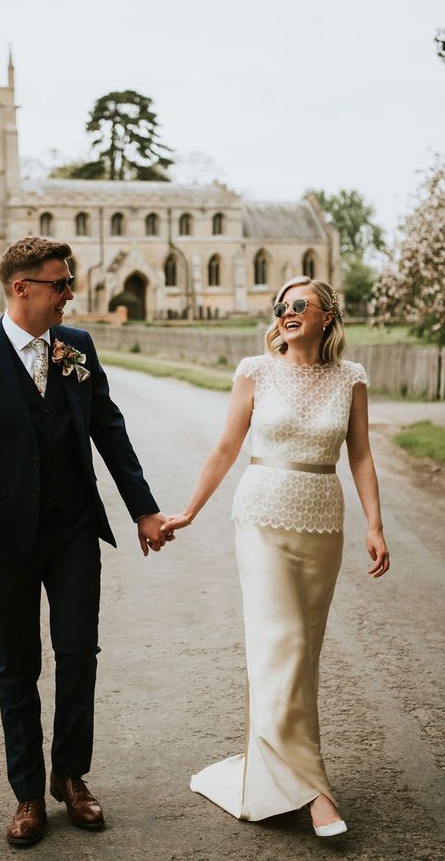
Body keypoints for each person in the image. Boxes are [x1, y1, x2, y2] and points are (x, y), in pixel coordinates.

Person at [0, 236, 170, 846]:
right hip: (7, 538)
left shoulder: (77, 346)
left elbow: (108, 430)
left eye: (69, 283)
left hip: (73, 530)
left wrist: (144, 510)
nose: (70, 293)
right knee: (18, 666)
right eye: (60, 284)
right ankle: (27, 794)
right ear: (22, 288)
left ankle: (70, 776)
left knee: (78, 653)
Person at [161, 276, 390, 838]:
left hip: (323, 523)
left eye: (300, 304)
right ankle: (315, 792)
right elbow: (226, 447)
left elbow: (360, 455)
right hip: (261, 518)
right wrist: (190, 510)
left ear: (327, 316)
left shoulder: (351, 378)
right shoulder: (255, 371)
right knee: (278, 647)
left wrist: (375, 524)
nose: (287, 311)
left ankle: (277, 776)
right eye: (281, 305)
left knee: (302, 656)